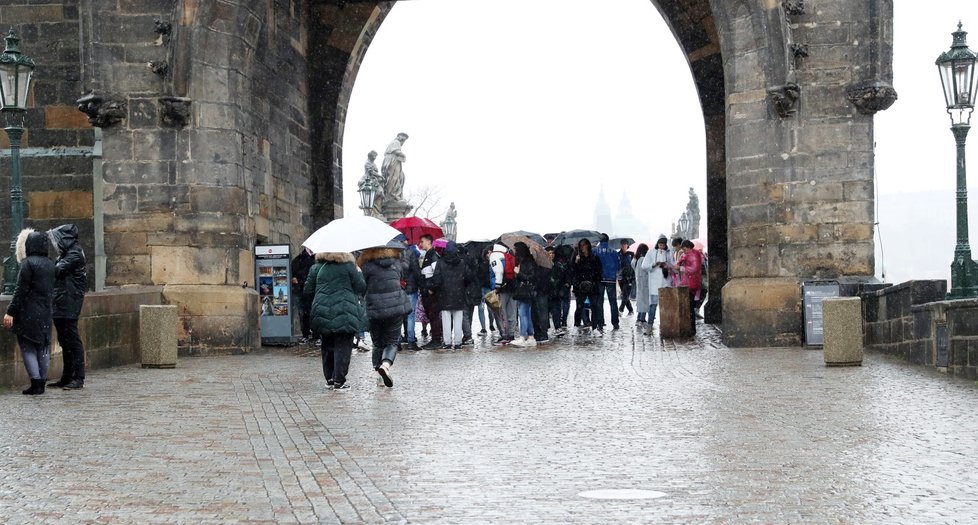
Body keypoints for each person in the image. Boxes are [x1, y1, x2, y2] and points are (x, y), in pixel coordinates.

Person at [4, 229, 56, 395]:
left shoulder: (28, 263)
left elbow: (20, 290)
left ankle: (35, 382)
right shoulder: (50, 263)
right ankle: (42, 380)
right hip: (46, 311)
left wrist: (10, 311)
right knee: (43, 347)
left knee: (28, 347)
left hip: (28, 311)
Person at [306, 250, 367, 390]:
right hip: (345, 310)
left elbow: (308, 290)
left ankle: (330, 378)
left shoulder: (317, 267)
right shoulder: (349, 267)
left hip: (322, 310)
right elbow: (361, 288)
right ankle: (340, 380)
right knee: (343, 345)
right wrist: (358, 272)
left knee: (327, 345)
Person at [359, 242, 413, 387]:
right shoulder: (396, 263)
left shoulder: (367, 266)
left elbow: (361, 287)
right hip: (395, 307)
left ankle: (378, 375)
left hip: (375, 309)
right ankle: (386, 365)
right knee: (392, 342)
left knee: (377, 343)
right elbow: (403, 274)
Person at [47, 224, 88, 390]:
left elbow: (56, 271)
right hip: (62, 301)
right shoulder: (67, 253)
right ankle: (67, 376)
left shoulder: (74, 253)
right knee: (64, 340)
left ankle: (78, 377)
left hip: (69, 302)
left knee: (72, 340)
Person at [430, 241, 468, 349]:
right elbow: (468, 276)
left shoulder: (440, 263)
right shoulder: (461, 262)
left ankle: (447, 342)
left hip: (445, 294)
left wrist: (435, 289)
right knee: (458, 319)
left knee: (446, 319)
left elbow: (436, 280)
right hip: (459, 293)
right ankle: (457, 342)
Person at [641, 236, 672, 333]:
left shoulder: (669, 253)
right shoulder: (651, 253)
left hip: (666, 282)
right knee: (653, 305)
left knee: (666, 305)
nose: (661, 247)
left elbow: (673, 265)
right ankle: (650, 325)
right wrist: (654, 264)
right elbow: (644, 266)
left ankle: (667, 325)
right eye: (660, 244)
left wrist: (666, 265)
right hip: (654, 283)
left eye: (663, 245)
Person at [510, 242, 539, 347]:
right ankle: (531, 337)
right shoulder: (521, 261)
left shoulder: (528, 262)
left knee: (523, 314)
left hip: (526, 292)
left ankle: (523, 336)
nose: (513, 250)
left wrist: (518, 273)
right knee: (526, 314)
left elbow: (530, 277)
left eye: (515, 248)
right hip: (523, 291)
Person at [572, 238, 603, 334]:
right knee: (579, 307)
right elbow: (573, 271)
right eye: (581, 246)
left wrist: (595, 281)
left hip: (592, 285)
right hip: (580, 286)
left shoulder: (595, 258)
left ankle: (594, 327)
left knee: (594, 307)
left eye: (584, 245)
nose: (583, 248)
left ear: (588, 246)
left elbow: (599, 271)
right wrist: (576, 263)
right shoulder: (577, 258)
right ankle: (576, 325)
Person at [418, 234, 443, 349]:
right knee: (431, 315)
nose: (420, 244)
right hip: (427, 290)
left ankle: (436, 339)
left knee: (433, 315)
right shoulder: (429, 254)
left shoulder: (432, 255)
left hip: (430, 292)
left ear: (428, 242)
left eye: (422, 241)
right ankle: (436, 338)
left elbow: (437, 273)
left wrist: (431, 289)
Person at [398, 235, 423, 350]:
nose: (408, 241)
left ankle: (397, 342)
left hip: (397, 288)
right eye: (406, 239)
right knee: (410, 315)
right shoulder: (411, 253)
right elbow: (416, 271)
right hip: (411, 287)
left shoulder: (393, 254)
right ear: (404, 241)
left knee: (397, 315)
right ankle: (411, 341)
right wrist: (420, 283)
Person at [675, 239, 704, 333]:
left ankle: (691, 329)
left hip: (692, 283)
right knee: (689, 306)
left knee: (690, 306)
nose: (684, 251)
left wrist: (681, 267)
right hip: (688, 282)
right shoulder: (688, 254)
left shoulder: (694, 255)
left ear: (687, 247)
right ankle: (690, 327)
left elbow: (694, 269)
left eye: (684, 249)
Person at [593, 233, 620, 330]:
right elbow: (618, 265)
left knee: (599, 302)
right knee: (613, 302)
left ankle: (600, 322)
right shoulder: (613, 252)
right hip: (611, 279)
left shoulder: (594, 251)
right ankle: (615, 322)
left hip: (599, 278)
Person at [547, 245, 574, 334]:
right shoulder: (544, 265)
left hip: (556, 292)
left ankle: (558, 326)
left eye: (552, 253)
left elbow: (564, 276)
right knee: (549, 311)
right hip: (548, 292)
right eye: (549, 253)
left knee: (556, 311)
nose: (551, 255)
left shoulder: (559, 264)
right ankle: (549, 327)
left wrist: (565, 285)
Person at [291, 246, 315, 343]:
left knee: (310, 313)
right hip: (302, 290)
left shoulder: (316, 260)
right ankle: (307, 334)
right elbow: (293, 273)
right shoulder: (298, 259)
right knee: (304, 313)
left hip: (310, 291)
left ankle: (313, 334)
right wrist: (294, 278)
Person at [381, 132, 409, 203]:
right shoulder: (396, 142)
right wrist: (404, 155)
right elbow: (396, 151)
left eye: (404, 140)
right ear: (399, 136)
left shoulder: (394, 142)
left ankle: (393, 195)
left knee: (398, 178)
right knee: (394, 178)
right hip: (393, 161)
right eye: (403, 139)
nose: (403, 141)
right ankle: (392, 195)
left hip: (393, 160)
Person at [360, 150, 385, 216]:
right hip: (369, 180)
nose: (375, 158)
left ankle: (377, 211)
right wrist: (380, 176)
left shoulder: (374, 163)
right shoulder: (367, 163)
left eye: (376, 157)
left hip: (375, 180)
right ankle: (368, 205)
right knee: (377, 193)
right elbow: (371, 172)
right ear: (370, 156)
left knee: (381, 193)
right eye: (374, 157)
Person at [632, 243, 650, 323]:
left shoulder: (635, 259)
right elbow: (647, 269)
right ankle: (642, 318)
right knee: (645, 301)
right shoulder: (643, 259)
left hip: (639, 281)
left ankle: (639, 317)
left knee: (640, 300)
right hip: (645, 281)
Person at [617, 240, 635, 316]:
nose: (624, 246)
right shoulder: (618, 255)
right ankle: (630, 310)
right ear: (621, 245)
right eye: (622, 244)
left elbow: (633, 265)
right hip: (621, 277)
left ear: (627, 245)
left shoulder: (631, 254)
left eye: (625, 244)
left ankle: (621, 309)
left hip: (629, 277)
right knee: (624, 295)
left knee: (625, 294)